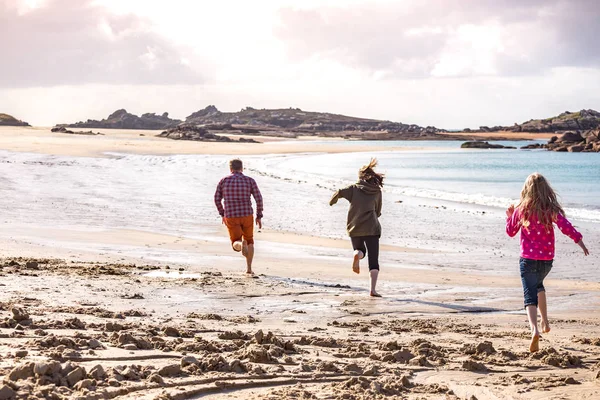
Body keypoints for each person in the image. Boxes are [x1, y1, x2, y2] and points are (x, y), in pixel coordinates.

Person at [506, 172, 589, 353]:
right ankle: (545, 320)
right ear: (546, 190)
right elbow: (566, 227)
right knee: (539, 286)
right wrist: (579, 241)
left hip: (527, 259)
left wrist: (510, 216)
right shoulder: (550, 210)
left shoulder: (522, 209)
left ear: (526, 189)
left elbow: (511, 232)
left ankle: (534, 329)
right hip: (546, 260)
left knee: (529, 295)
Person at [330, 159, 384, 297]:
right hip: (372, 228)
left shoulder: (353, 189)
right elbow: (378, 211)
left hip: (355, 227)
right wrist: (374, 215)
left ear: (360, 177)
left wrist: (333, 200)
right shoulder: (376, 191)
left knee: (360, 250)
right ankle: (372, 290)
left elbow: (340, 192)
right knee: (373, 260)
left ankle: (357, 255)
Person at [214, 158, 263, 274]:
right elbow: (258, 198)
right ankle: (249, 269)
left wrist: (222, 214)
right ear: (242, 168)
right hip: (247, 214)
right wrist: (259, 215)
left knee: (235, 241)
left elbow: (217, 199)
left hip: (231, 215)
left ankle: (241, 245)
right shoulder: (250, 180)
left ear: (230, 169)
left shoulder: (224, 181)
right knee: (250, 240)